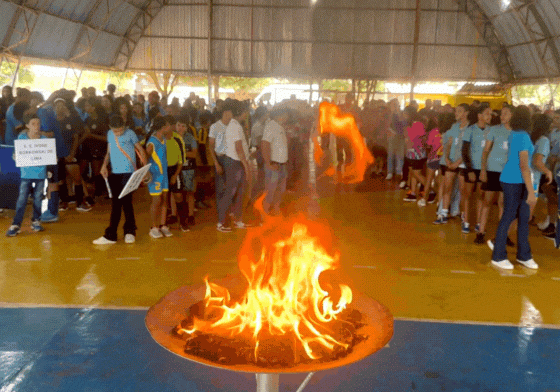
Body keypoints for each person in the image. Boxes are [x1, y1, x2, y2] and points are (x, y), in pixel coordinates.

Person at [490, 106, 540, 270]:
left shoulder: (515, 134)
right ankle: (498, 256)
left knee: (523, 218)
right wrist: (531, 192)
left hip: (516, 180)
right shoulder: (523, 136)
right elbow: (524, 166)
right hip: (514, 181)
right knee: (509, 215)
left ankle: (524, 255)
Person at [92, 116, 147, 245]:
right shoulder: (110, 134)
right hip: (115, 173)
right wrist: (104, 165)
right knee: (121, 203)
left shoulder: (130, 133)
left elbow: (140, 150)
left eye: (121, 130)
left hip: (129, 173)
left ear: (125, 126)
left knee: (122, 202)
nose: (118, 133)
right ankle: (128, 231)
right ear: (111, 128)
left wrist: (144, 169)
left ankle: (115, 234)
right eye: (116, 130)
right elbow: (109, 152)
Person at [6, 113, 46, 237]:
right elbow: (16, 154)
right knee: (22, 199)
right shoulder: (22, 138)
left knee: (38, 199)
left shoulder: (44, 140)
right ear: (27, 125)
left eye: (38, 123)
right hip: (26, 173)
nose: (36, 126)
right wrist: (15, 157)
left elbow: (48, 155)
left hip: (40, 173)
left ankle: (36, 221)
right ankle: (16, 224)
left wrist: (51, 159)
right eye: (33, 124)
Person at [478, 105, 513, 246]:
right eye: (501, 113)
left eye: (506, 113)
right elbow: (486, 151)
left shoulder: (517, 133)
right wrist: (483, 170)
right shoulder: (494, 130)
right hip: (492, 170)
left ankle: (503, 235)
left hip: (508, 172)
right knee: (487, 202)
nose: (502, 116)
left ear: (513, 116)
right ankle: (480, 232)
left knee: (503, 204)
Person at [217, 100, 250, 232]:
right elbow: (239, 148)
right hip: (235, 164)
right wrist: (246, 166)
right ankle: (221, 222)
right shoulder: (235, 126)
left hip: (236, 163)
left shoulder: (235, 125)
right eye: (246, 111)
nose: (247, 114)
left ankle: (237, 219)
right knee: (230, 193)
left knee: (239, 192)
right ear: (242, 112)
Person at [433, 103, 470, 224]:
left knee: (463, 192)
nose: (456, 113)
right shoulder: (454, 126)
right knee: (447, 188)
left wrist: (457, 162)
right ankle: (443, 214)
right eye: (456, 111)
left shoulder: (470, 128)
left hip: (462, 163)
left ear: (466, 113)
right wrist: (447, 158)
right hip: (451, 162)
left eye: (459, 111)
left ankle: (464, 217)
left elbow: (468, 149)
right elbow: (448, 143)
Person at [461, 104, 492, 235]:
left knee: (481, 195)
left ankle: (479, 222)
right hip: (471, 168)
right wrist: (470, 170)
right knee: (467, 195)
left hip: (484, 169)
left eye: (490, 114)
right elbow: (464, 151)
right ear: (479, 115)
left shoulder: (491, 131)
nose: (489, 116)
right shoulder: (470, 129)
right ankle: (466, 220)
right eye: (487, 114)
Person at [145, 116, 173, 238]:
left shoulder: (164, 139)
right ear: (163, 127)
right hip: (155, 175)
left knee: (165, 200)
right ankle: (153, 226)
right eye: (168, 125)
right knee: (156, 201)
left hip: (164, 175)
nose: (170, 127)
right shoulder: (152, 141)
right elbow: (145, 156)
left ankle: (163, 225)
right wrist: (146, 172)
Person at [261, 107, 290, 215]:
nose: (287, 117)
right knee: (270, 190)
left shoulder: (280, 126)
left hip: (282, 164)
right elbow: (265, 144)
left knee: (280, 190)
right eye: (286, 115)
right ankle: (265, 213)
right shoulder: (271, 126)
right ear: (280, 115)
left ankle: (277, 209)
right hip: (274, 164)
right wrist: (268, 163)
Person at [209, 101, 233, 229]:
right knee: (220, 190)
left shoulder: (233, 126)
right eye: (229, 113)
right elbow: (211, 146)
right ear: (224, 113)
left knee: (229, 189)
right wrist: (216, 163)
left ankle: (227, 215)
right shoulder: (215, 127)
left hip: (231, 159)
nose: (231, 116)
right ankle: (221, 221)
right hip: (220, 159)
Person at [175, 115, 198, 232]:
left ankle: (190, 215)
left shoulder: (190, 138)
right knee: (176, 193)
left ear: (186, 128)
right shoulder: (172, 138)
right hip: (175, 169)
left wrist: (181, 152)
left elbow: (194, 154)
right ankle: (175, 214)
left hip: (188, 169)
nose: (180, 128)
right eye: (178, 125)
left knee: (189, 192)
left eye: (183, 126)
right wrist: (185, 153)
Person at [402, 106, 427, 202]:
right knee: (412, 173)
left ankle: (431, 190)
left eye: (405, 113)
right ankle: (412, 192)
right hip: (410, 151)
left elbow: (421, 137)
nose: (404, 115)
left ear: (409, 114)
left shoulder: (417, 124)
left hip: (417, 151)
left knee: (416, 173)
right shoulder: (409, 124)